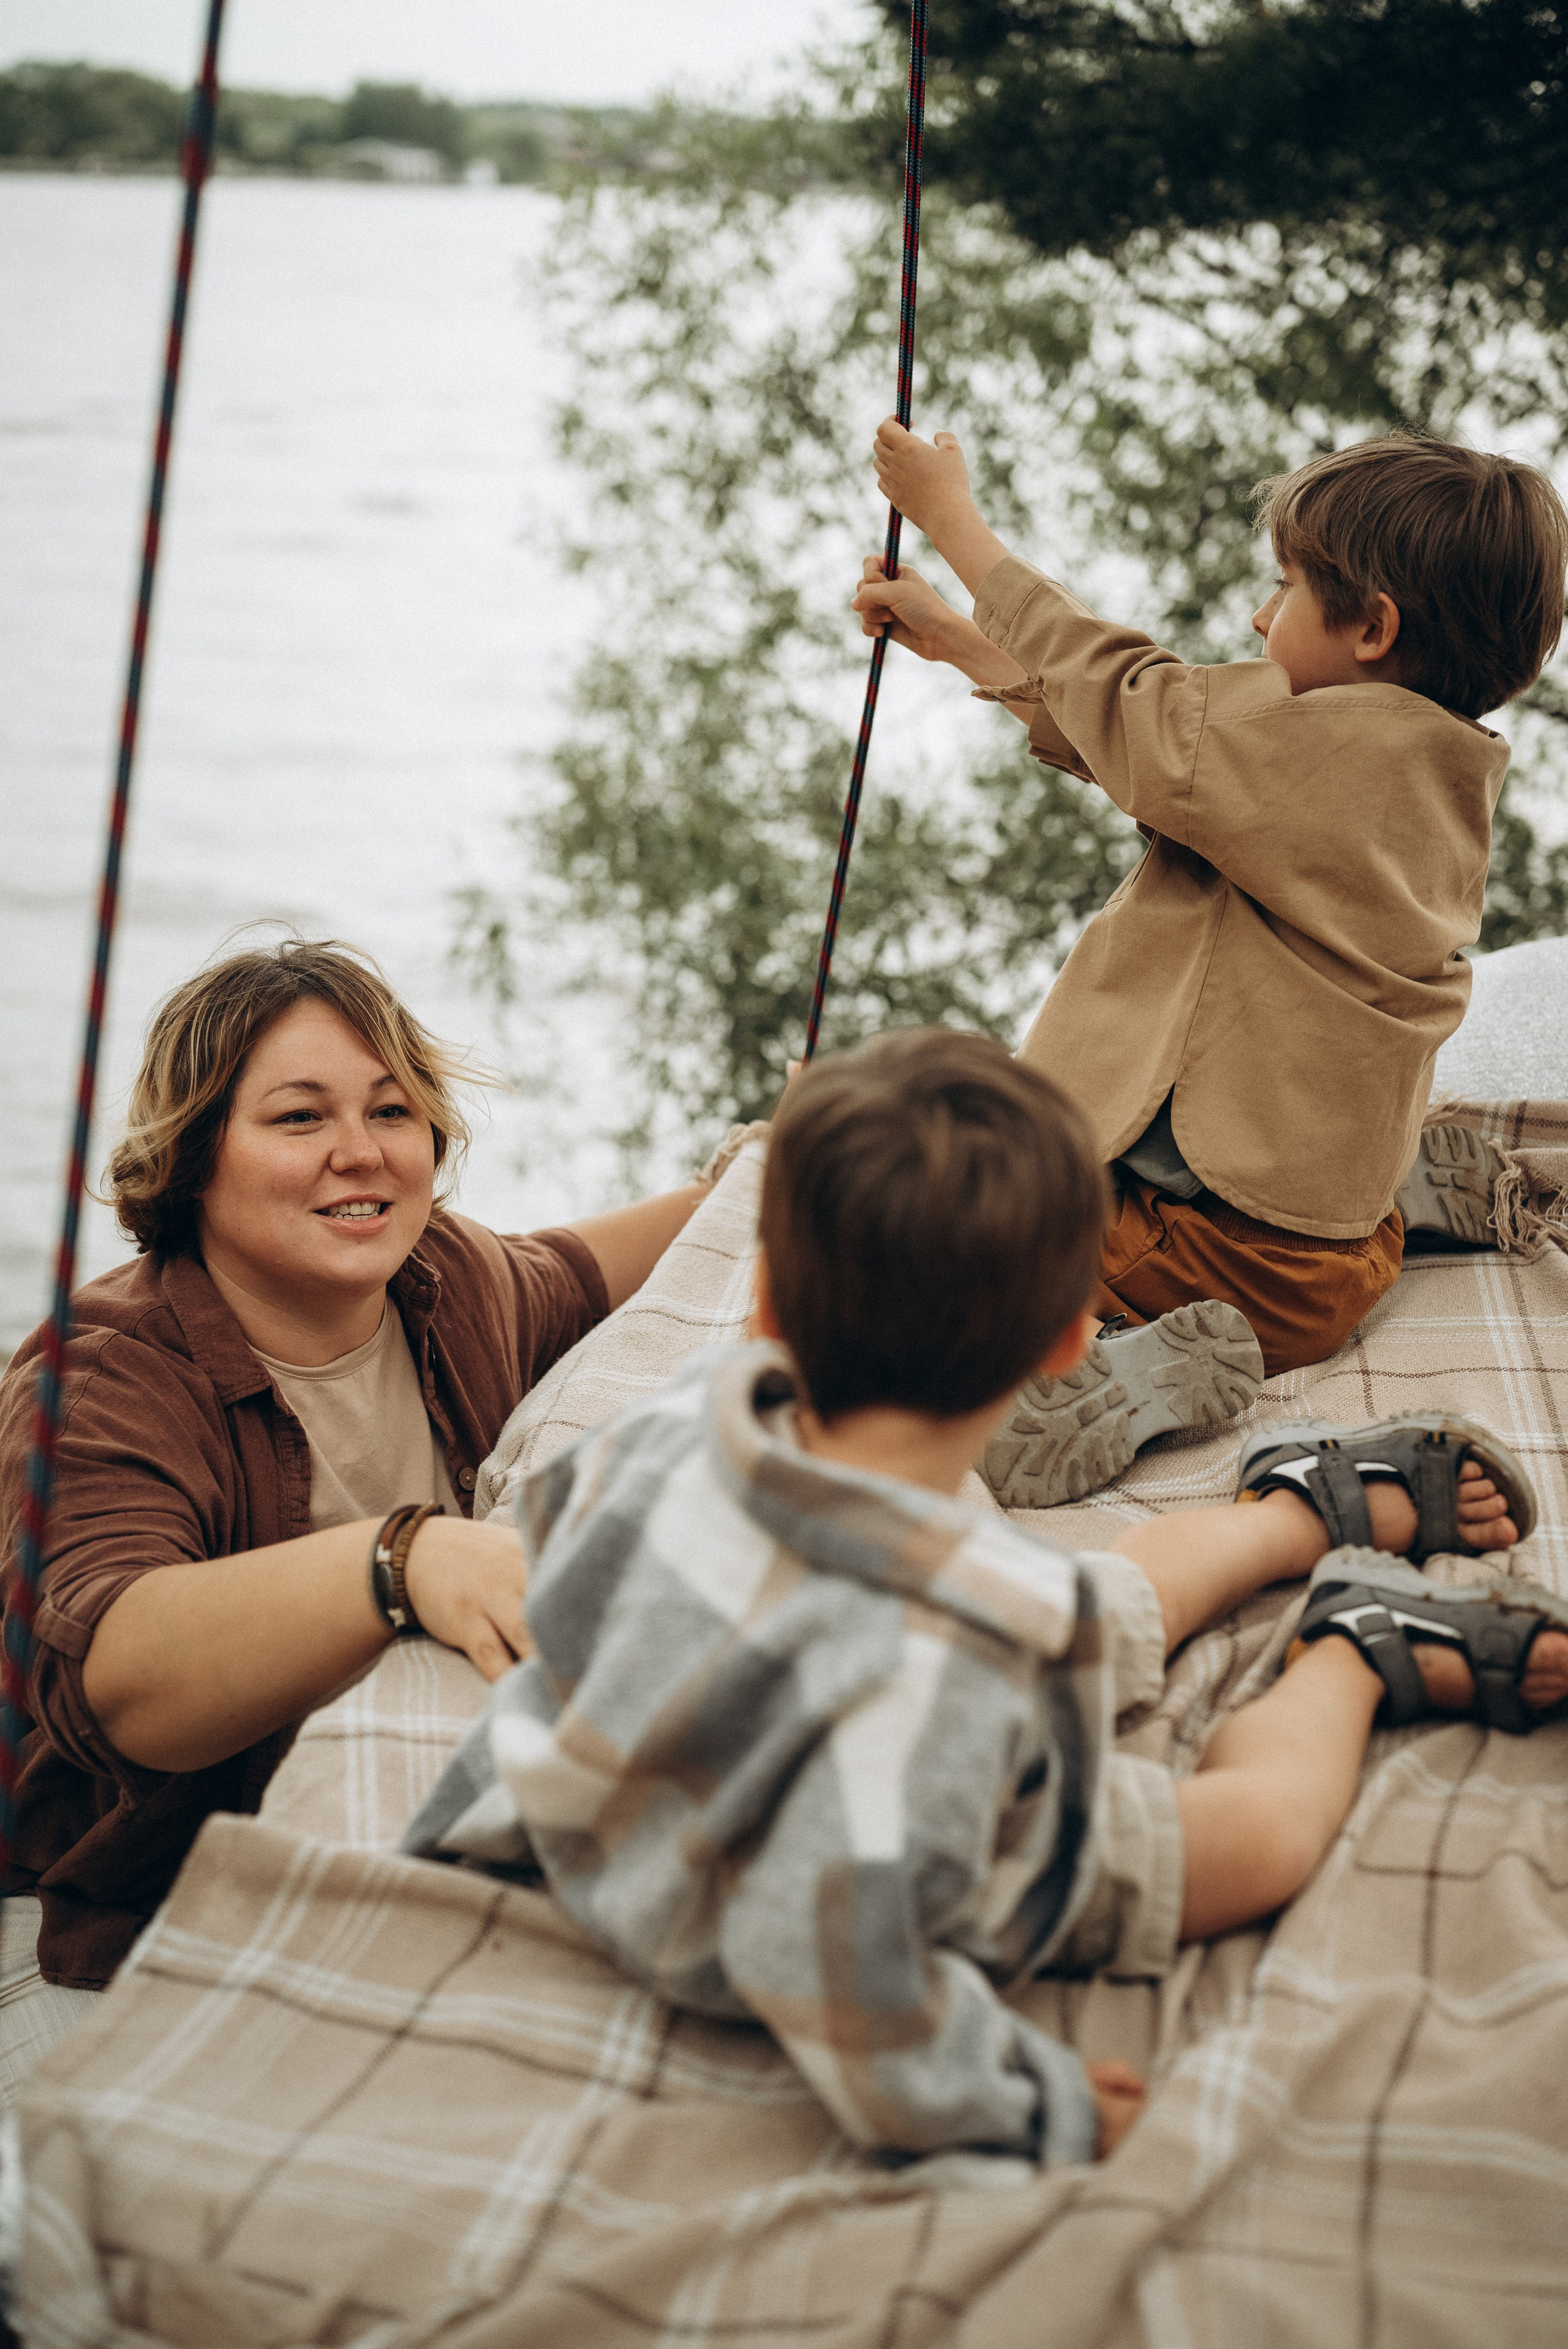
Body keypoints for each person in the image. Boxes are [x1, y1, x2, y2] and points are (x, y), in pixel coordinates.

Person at [402, 1030, 1568, 2167]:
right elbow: (840, 1959)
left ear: (764, 1301)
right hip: (905, 1837)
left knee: (1081, 1607)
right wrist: (1009, 2100)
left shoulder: (672, 1422)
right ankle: (1352, 1644)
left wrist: (505, 1791)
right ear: (1068, 1343)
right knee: (1254, 1831)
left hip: (697, 1760)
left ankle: (1301, 1514)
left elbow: (565, 1591)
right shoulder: (965, 1650)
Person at [0, 937, 726, 2087]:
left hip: (400, 1863)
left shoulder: (446, 1283)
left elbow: (592, 1266)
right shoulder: (99, 1377)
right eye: (299, 1119)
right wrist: (403, 1564)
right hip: (125, 1925)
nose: (361, 1154)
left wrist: (761, 1175)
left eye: (394, 1111)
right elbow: (115, 1680)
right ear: (193, 1160)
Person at [851, 427, 1568, 1506]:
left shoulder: (1330, 750)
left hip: (1224, 1265)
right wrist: (967, 649)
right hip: (1322, 1244)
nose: (1257, 616)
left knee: (945, 1224)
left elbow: (1147, 718)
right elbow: (1156, 759)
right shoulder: (1420, 767)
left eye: (1283, 589)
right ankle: (1393, 1196)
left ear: (1374, 627)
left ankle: (1135, 1375)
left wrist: (955, 525)